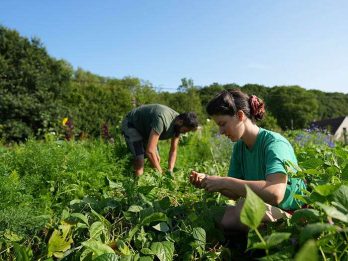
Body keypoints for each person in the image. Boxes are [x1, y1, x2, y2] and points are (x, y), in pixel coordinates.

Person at [189, 89, 306, 252]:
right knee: (213, 214)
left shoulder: (274, 143)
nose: (220, 132)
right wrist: (208, 181)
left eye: (223, 124)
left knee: (242, 209)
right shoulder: (240, 147)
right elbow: (234, 193)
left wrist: (224, 181)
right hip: (264, 210)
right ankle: (248, 242)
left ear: (240, 116)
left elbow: (275, 193)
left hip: (291, 214)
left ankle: (260, 245)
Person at [122, 104, 198, 176]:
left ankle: (151, 182)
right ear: (180, 122)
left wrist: (170, 170)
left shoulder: (178, 124)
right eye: (185, 130)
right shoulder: (162, 119)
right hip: (132, 124)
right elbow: (150, 151)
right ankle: (136, 185)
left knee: (157, 159)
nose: (184, 133)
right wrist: (161, 173)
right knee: (140, 160)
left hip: (146, 129)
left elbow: (173, 150)